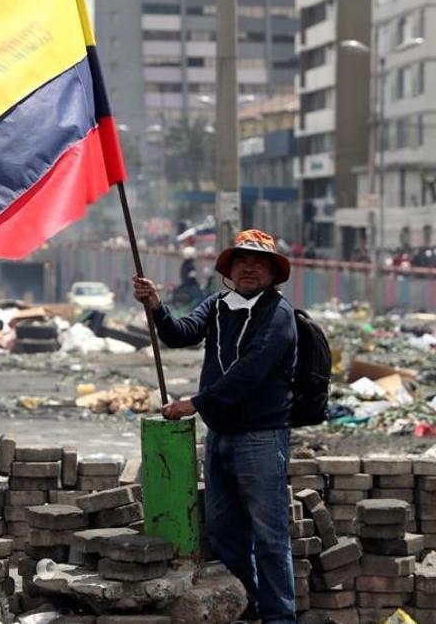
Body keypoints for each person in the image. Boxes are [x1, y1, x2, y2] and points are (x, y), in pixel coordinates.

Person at [132, 229, 297, 624]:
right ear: (229, 269)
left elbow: (248, 374)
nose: (249, 268)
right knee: (225, 531)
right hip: (220, 435)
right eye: (242, 260)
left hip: (260, 436)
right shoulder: (219, 305)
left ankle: (279, 617)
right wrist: (155, 305)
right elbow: (179, 334)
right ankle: (246, 607)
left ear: (273, 272)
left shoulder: (278, 315)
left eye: (259, 262)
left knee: (270, 536)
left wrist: (194, 403)